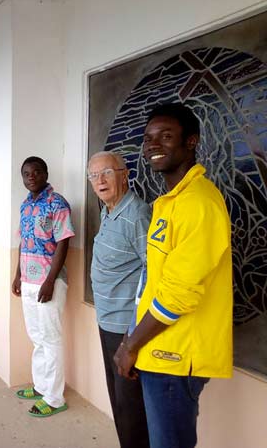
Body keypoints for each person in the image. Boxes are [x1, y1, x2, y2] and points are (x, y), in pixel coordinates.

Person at [114, 103, 233, 448]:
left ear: (191, 142)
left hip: (175, 357)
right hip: (158, 346)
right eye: (149, 138)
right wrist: (134, 338)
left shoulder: (199, 203)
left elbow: (179, 292)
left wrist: (129, 345)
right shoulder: (172, 201)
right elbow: (157, 279)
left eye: (166, 137)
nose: (153, 145)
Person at [88, 151, 151, 447]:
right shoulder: (109, 209)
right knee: (119, 402)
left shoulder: (137, 214)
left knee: (131, 409)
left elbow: (153, 270)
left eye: (107, 173)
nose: (99, 180)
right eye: (93, 175)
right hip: (107, 321)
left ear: (124, 174)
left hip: (126, 329)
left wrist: (133, 336)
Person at [11, 156, 74, 418]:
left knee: (51, 338)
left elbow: (63, 242)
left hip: (48, 283)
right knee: (37, 337)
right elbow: (24, 243)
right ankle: (41, 386)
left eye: (36, 172)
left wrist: (50, 280)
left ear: (46, 173)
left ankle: (55, 398)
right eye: (26, 173)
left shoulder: (56, 203)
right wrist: (17, 275)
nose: (31, 176)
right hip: (28, 280)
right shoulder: (26, 205)